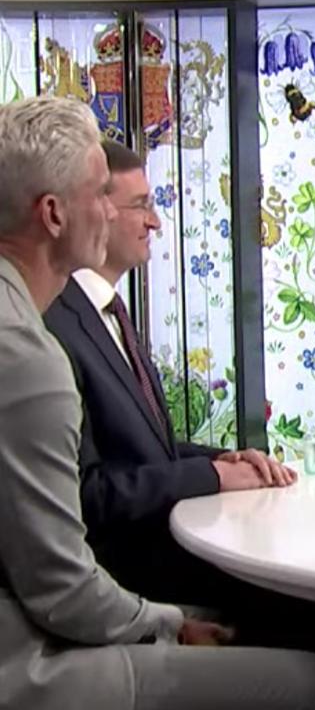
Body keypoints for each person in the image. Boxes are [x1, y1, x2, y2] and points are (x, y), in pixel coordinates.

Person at [0, 95, 315, 710]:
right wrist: (170, 624)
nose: (117, 212)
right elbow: (62, 591)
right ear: (54, 213)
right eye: (101, 192)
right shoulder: (29, 355)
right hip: (31, 661)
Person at [44, 140, 295, 607]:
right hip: (133, 582)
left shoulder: (108, 312)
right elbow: (87, 492)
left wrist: (227, 460)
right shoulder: (55, 325)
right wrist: (209, 476)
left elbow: (145, 452)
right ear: (93, 210)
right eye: (140, 205)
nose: (155, 222)